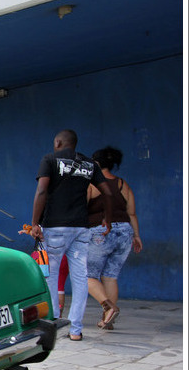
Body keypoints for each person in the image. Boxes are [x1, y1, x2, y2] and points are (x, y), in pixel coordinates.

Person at [30, 129, 114, 341]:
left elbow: (41, 191)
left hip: (55, 228)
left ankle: (54, 325)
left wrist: (34, 223)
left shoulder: (49, 160)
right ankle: (75, 330)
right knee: (80, 277)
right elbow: (108, 192)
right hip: (81, 228)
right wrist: (108, 218)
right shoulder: (89, 164)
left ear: (58, 142)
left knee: (51, 275)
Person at [85, 146, 143, 330]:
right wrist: (137, 235)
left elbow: (81, 210)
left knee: (86, 275)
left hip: (101, 232)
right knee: (110, 277)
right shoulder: (122, 184)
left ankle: (107, 307)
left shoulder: (92, 184)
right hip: (125, 233)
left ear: (95, 163)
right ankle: (107, 319)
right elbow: (131, 213)